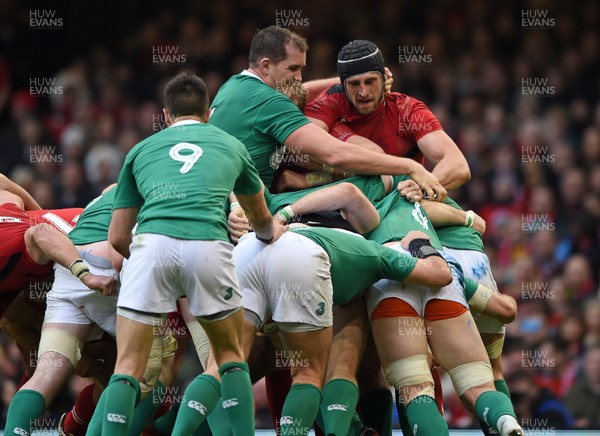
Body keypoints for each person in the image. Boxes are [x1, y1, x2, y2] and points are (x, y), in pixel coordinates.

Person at [88, 71, 285, 436]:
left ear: (166, 115)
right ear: (208, 112)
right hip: (208, 247)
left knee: (128, 364)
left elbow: (117, 238)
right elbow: (261, 219)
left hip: (150, 248)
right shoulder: (230, 145)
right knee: (229, 358)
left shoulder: (140, 150)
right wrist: (265, 234)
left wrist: (151, 266)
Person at [208, 26, 447, 239]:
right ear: (266, 66)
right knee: (377, 180)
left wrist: (348, 78)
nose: (299, 77)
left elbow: (298, 89)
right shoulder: (271, 103)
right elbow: (335, 154)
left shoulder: (233, 86)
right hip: (250, 207)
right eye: (293, 68)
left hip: (220, 199)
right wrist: (410, 167)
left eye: (301, 68)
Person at [230, 225, 452, 436]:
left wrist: (257, 214)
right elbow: (440, 274)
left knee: (224, 366)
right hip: (306, 265)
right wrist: (420, 242)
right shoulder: (374, 254)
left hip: (245, 252)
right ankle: (350, 430)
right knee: (314, 374)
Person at [280, 39, 470, 192]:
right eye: (354, 84)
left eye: (370, 81)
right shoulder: (333, 99)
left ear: (384, 78)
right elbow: (301, 149)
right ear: (342, 85)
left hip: (401, 199)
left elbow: (458, 166)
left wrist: (422, 187)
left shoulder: (408, 110)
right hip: (343, 203)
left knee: (473, 224)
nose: (363, 92)